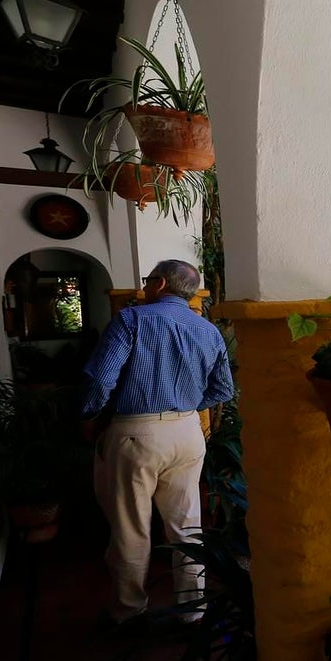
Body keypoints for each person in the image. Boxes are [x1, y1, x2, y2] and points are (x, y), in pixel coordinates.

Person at [81, 260, 235, 626]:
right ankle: (193, 611)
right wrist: (184, 407)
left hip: (136, 433)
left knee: (131, 527)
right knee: (187, 526)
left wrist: (89, 416)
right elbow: (224, 388)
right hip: (188, 434)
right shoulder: (208, 330)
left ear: (160, 283)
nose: (145, 287)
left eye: (147, 281)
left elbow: (100, 380)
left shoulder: (131, 320)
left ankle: (129, 611)